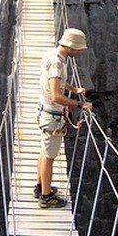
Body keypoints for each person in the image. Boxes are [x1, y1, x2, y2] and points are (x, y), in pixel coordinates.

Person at [35, 28, 93, 208]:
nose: (79, 53)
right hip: (52, 116)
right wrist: (79, 104)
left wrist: (74, 89)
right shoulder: (57, 63)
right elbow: (55, 96)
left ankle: (40, 187)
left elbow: (58, 81)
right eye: (78, 50)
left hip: (45, 112)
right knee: (49, 157)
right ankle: (46, 197)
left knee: (44, 152)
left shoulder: (53, 54)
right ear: (71, 47)